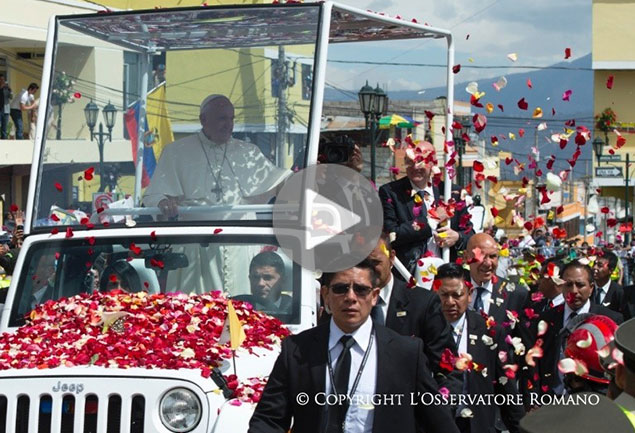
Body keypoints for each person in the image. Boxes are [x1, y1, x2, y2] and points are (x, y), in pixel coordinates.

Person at [249, 259, 460, 433]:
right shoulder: (297, 348)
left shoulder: (405, 352)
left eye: (361, 290)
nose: (351, 297)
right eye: (341, 289)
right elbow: (269, 420)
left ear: (375, 296)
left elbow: (439, 423)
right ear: (325, 296)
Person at [143, 94, 290, 216]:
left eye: (231, 119)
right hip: (195, 243)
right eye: (222, 119)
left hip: (240, 243)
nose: (228, 124)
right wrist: (162, 202)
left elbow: (277, 181)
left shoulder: (248, 152)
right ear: (203, 120)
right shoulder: (175, 152)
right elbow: (154, 195)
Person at [366, 234, 462, 394]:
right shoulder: (344, 301)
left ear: (391, 258)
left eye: (375, 262)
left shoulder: (422, 303)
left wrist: (438, 412)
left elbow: (448, 368)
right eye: (362, 264)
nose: (368, 270)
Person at [435, 263, 524, 433]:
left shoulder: (489, 331)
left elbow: (506, 388)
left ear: (470, 295)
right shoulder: (424, 330)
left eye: (457, 295)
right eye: (444, 295)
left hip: (477, 425)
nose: (450, 302)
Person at [529, 260, 623, 398]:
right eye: (568, 285)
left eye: (580, 285)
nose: (574, 291)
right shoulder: (545, 319)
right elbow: (535, 362)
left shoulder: (610, 319)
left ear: (591, 288)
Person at [378, 140, 472, 273]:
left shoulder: (451, 193)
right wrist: (430, 220)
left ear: (434, 163)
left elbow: (470, 234)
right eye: (410, 161)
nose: (415, 167)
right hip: (408, 275)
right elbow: (390, 235)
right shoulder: (391, 192)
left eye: (421, 161)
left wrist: (457, 237)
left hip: (446, 275)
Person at [465, 233, 529, 327]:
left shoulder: (516, 295)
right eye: (481, 256)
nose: (487, 263)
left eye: (492, 256)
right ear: (467, 257)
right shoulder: (452, 292)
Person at [0, 74, 12, 139]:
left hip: (6, 110)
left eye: (3, 80)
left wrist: (10, 90)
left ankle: (3, 140)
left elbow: (11, 97)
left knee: (4, 127)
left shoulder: (6, 89)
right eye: (1, 79)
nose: (2, 81)